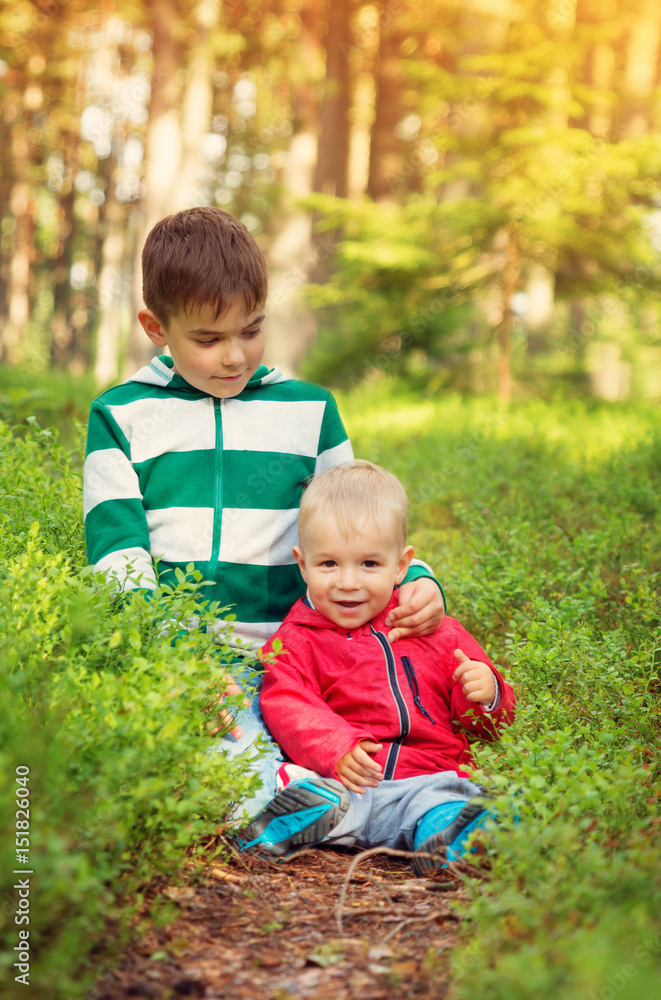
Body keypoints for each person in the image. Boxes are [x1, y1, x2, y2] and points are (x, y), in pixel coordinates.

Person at [83, 207, 446, 817]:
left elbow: (355, 522)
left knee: (384, 746)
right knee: (225, 761)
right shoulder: (122, 417)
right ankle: (290, 802)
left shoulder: (309, 411)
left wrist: (416, 579)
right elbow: (119, 558)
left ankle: (407, 807)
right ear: (155, 327)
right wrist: (173, 659)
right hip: (194, 661)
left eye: (251, 330)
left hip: (312, 654)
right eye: (207, 338)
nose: (234, 356)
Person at [239, 461, 516, 871]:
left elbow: (490, 726)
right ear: (302, 564)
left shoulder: (436, 631)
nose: (348, 582)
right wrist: (337, 746)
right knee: (321, 793)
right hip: (348, 781)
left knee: (445, 804)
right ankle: (289, 820)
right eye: (329, 564)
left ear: (402, 565)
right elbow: (287, 703)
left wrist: (488, 694)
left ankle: (448, 842)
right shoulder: (297, 639)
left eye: (369, 564)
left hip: (427, 778)